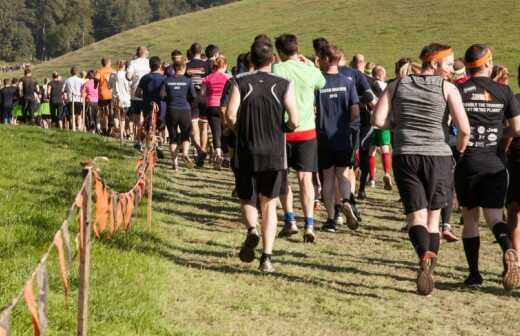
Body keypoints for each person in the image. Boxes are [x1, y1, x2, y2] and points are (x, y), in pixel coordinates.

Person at [372, 43, 470, 296]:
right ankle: (430, 263)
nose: (451, 69)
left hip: (406, 155)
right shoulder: (447, 88)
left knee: (415, 217)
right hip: (439, 157)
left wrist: (398, 126)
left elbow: (377, 120)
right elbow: (465, 129)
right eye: (448, 64)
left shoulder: (397, 84)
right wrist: (458, 151)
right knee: (434, 218)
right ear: (435, 63)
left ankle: (422, 254)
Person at [226, 39, 299, 272]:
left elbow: (229, 116)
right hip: (274, 153)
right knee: (269, 204)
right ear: (273, 60)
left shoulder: (240, 82)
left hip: (247, 151)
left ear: (251, 58)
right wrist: (285, 129)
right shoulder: (283, 84)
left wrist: (241, 132)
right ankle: (267, 258)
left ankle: (251, 230)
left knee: (247, 197)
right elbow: (295, 120)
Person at [456, 45, 520, 290]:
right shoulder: (504, 90)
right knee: (494, 216)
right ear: (488, 62)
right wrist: (497, 134)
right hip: (494, 162)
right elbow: (517, 128)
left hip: (467, 162)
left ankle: (474, 275)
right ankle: (508, 249)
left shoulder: (459, 90)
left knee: (470, 219)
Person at [273, 33, 326, 243]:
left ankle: (290, 219)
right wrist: (311, 66)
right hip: (308, 131)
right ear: (297, 48)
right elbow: (321, 83)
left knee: (283, 176)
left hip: (284, 130)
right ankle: (310, 224)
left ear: (280, 52)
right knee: (306, 179)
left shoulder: (279, 69)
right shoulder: (310, 70)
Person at [315, 44, 360, 232]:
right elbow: (355, 112)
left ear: (326, 59)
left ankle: (331, 219)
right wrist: (347, 128)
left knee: (327, 178)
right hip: (343, 136)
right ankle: (347, 201)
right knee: (343, 174)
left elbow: (312, 109)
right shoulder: (347, 82)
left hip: (324, 136)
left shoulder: (318, 83)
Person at [161, 56, 196, 170]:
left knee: (173, 137)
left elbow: (162, 95)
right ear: (184, 67)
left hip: (171, 109)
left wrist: (169, 99)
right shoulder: (188, 80)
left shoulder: (167, 80)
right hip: (185, 109)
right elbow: (194, 96)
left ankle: (175, 163)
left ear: (174, 68)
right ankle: (185, 153)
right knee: (186, 135)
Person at [201, 56, 230, 168]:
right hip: (224, 107)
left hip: (211, 106)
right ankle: (226, 156)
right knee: (225, 131)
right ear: (225, 66)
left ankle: (218, 155)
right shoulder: (228, 78)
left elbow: (202, 94)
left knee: (215, 131)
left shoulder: (207, 78)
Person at [186, 43, 212, 164]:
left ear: (191, 52)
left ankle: (199, 151)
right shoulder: (207, 65)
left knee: (194, 125)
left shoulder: (187, 66)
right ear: (201, 51)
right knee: (204, 126)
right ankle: (203, 149)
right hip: (205, 97)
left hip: (192, 99)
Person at [368, 65, 393, 191]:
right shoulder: (386, 86)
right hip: (383, 121)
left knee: (371, 150)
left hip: (371, 121)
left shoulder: (369, 87)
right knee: (385, 149)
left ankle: (371, 179)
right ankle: (387, 173)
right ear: (382, 75)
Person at [508, 65, 520, 274]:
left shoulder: (515, 100)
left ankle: (517, 259)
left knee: (514, 210)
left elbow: (509, 132)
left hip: (517, 159)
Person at [127, 46, 150, 145]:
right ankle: (146, 139)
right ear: (146, 53)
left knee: (136, 118)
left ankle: (138, 140)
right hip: (148, 94)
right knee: (146, 117)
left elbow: (128, 77)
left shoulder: (133, 62)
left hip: (136, 93)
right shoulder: (149, 62)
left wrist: (132, 78)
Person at [137, 56, 165, 128]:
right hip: (161, 106)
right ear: (160, 65)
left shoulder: (145, 77)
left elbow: (137, 93)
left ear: (149, 66)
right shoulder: (164, 78)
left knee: (148, 127)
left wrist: (145, 96)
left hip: (147, 105)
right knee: (161, 127)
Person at [96, 58, 115, 134]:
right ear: (109, 63)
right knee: (111, 110)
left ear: (102, 63)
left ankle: (104, 128)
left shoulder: (100, 71)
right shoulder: (114, 71)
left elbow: (96, 79)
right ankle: (111, 125)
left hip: (102, 94)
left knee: (103, 112)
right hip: (112, 94)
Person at [114, 60, 131, 138]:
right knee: (124, 116)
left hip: (118, 97)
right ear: (124, 66)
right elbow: (130, 85)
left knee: (118, 115)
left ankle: (120, 132)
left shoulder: (115, 75)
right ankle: (123, 132)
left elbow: (111, 86)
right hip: (127, 97)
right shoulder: (126, 75)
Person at [63, 66, 84, 130]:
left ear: (71, 72)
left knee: (72, 115)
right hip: (79, 99)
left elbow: (63, 90)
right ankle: (79, 127)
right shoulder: (81, 80)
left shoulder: (67, 80)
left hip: (70, 99)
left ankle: (73, 128)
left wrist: (65, 98)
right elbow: (83, 90)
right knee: (79, 115)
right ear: (77, 73)